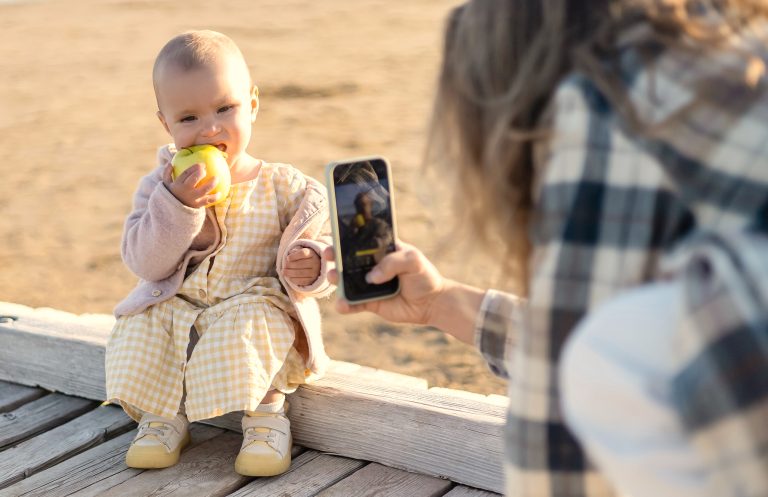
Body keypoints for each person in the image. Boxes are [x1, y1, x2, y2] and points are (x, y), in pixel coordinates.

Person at [322, 1, 768, 495]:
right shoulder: (727, 59)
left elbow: (557, 443)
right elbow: (581, 333)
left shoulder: (607, 100)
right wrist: (440, 302)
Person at [106, 30, 334, 477]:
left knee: (257, 321)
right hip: (184, 304)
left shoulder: (286, 186)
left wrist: (312, 262)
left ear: (252, 105)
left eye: (224, 109)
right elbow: (146, 263)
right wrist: (179, 204)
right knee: (144, 319)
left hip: (250, 302)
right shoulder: (161, 186)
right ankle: (162, 416)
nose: (210, 128)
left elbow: (323, 255)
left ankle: (266, 417)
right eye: (188, 117)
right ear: (165, 124)